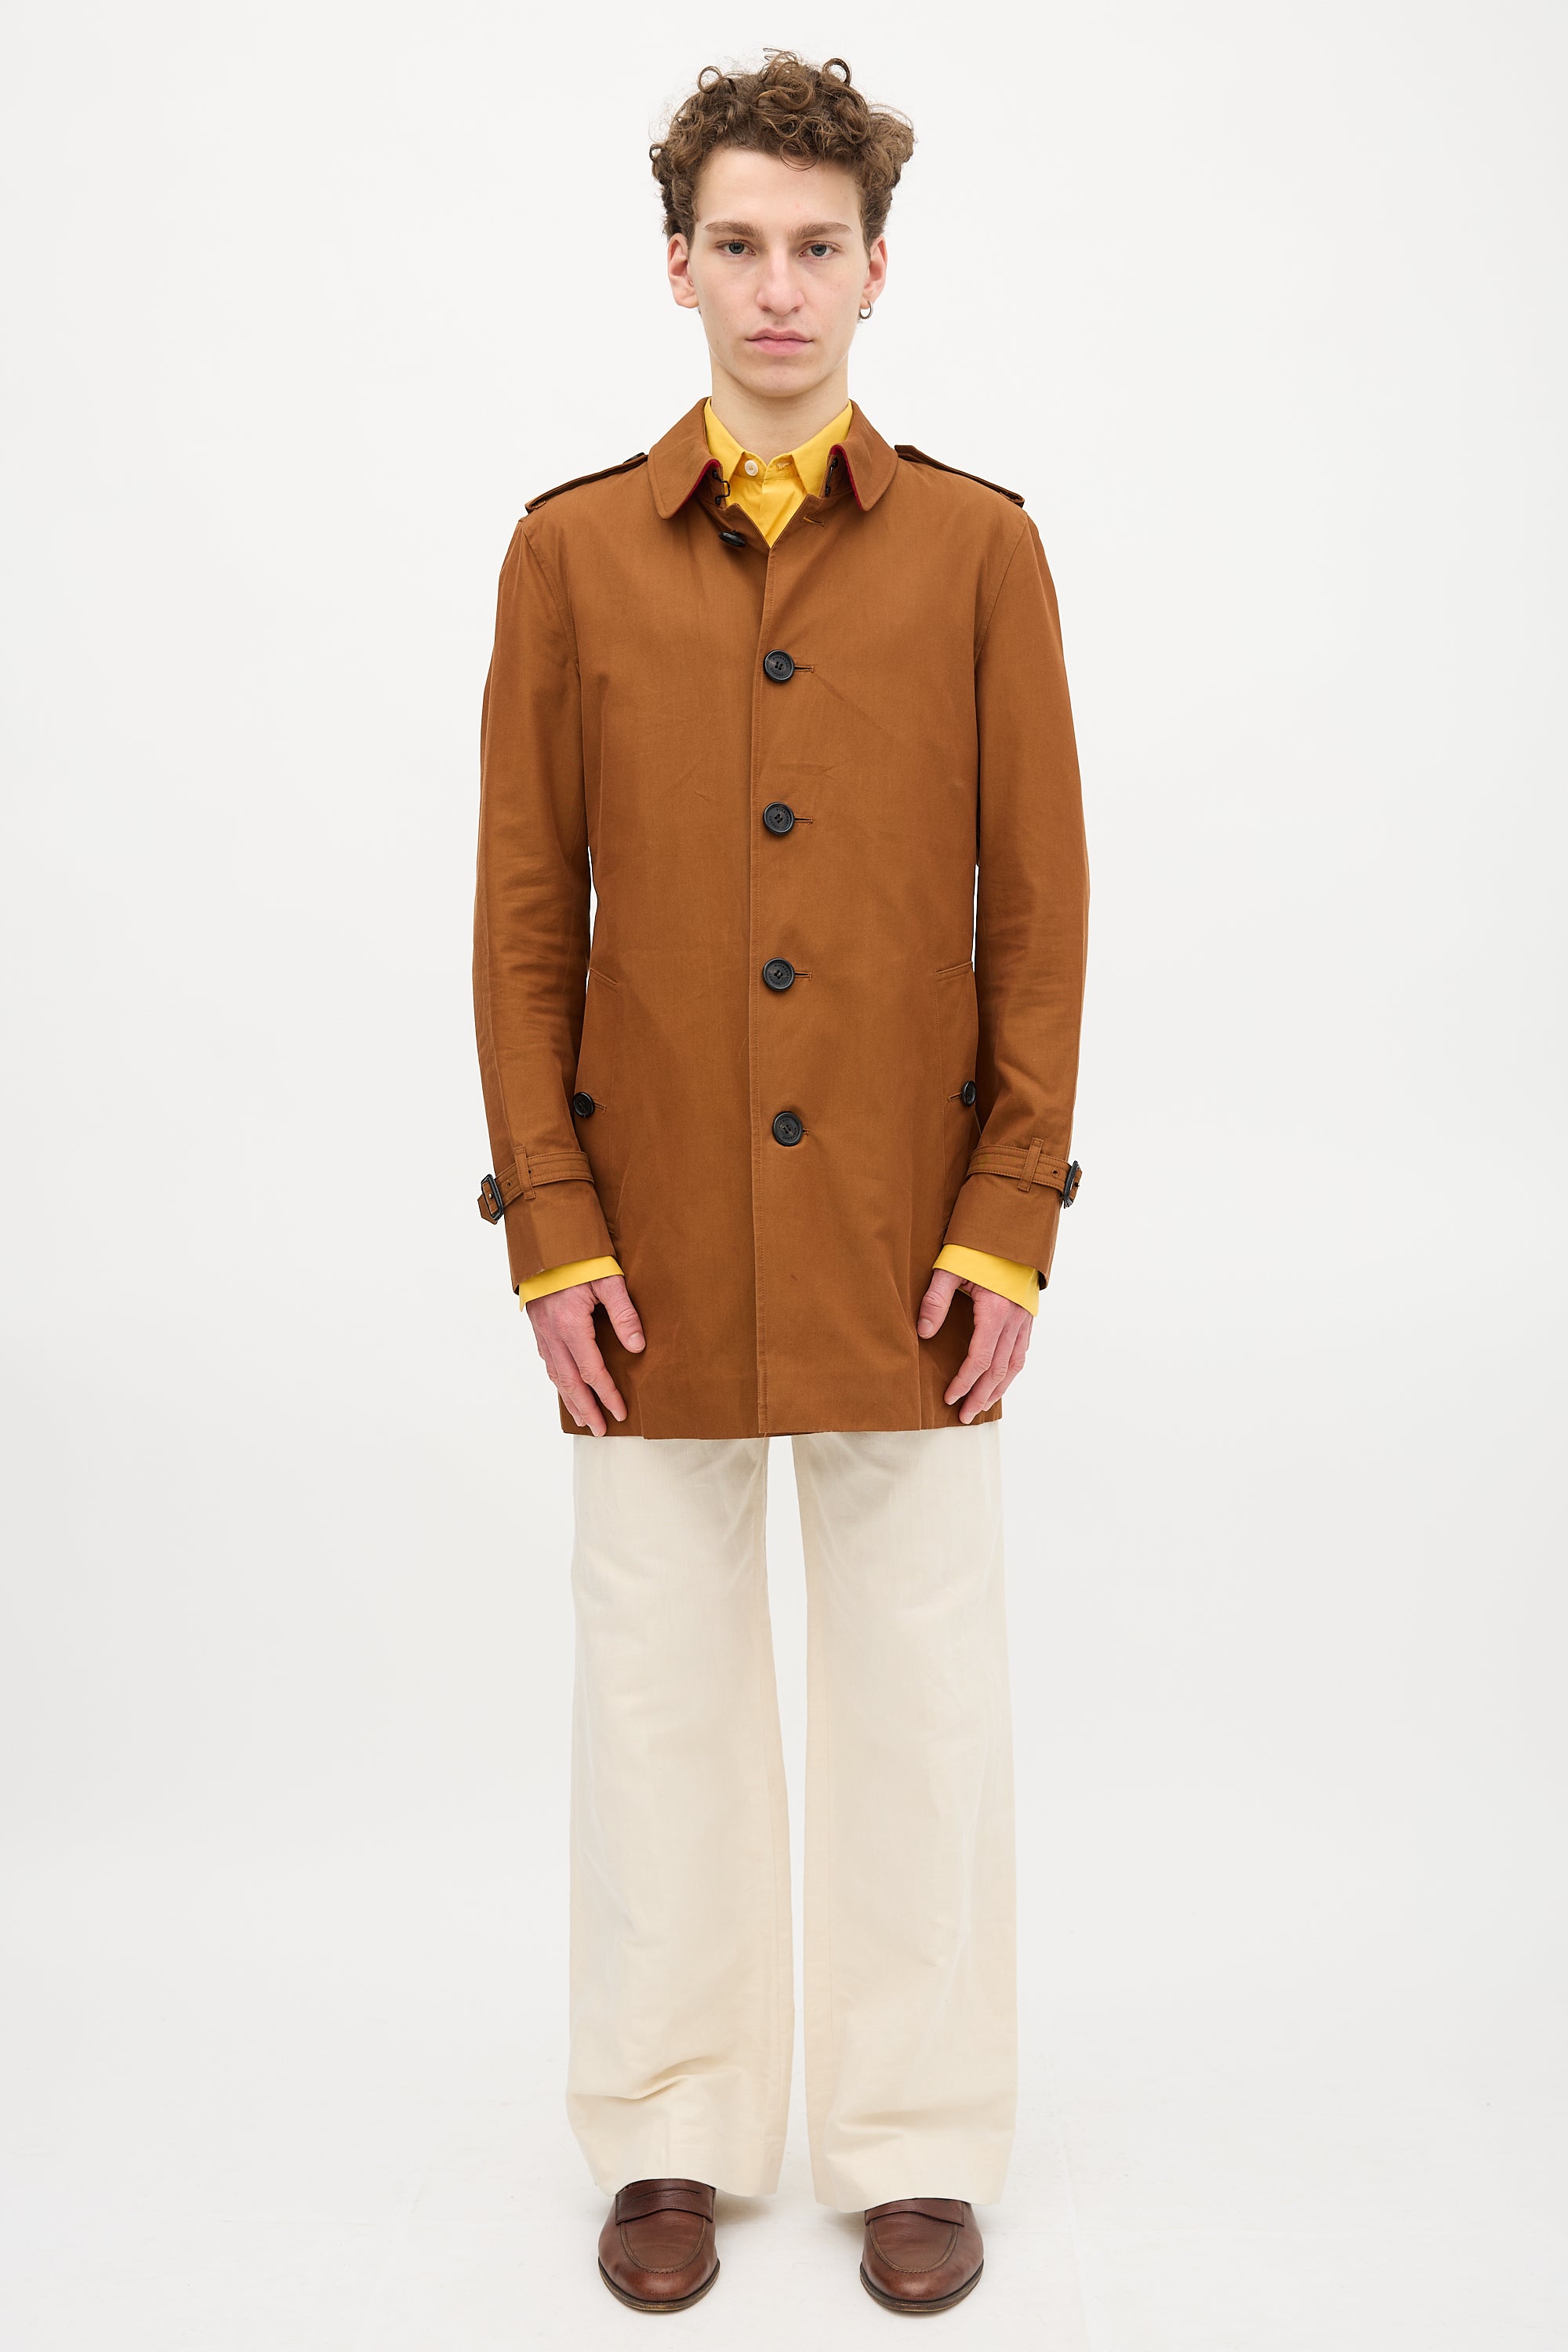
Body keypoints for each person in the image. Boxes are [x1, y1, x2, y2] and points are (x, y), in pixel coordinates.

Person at [471, 49, 1088, 2317]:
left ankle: (916, 2138)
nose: (778, 287)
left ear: (877, 269)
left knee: (921, 1694)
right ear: (677, 266)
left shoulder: (981, 552)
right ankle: (672, 2130)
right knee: (657, 1697)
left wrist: (1011, 1214)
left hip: (913, 1238)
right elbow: (524, 922)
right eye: (737, 243)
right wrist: (551, 1226)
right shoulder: (567, 556)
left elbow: (1042, 911)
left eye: (818, 245)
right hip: (647, 1238)